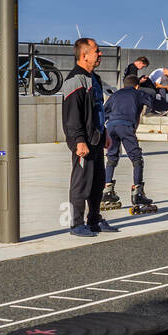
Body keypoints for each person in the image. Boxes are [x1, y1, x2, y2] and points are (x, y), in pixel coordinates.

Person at [62, 38, 117, 236]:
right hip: (83, 142)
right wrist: (79, 140)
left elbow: (97, 110)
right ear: (84, 55)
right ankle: (76, 224)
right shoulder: (75, 80)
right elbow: (72, 114)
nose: (100, 54)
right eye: (97, 51)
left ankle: (94, 221)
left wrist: (105, 134)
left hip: (96, 138)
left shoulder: (94, 78)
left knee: (97, 182)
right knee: (81, 183)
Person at [100, 75, 157, 214]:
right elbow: (154, 104)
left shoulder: (115, 95)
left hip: (111, 126)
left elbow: (103, 111)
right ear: (137, 85)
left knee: (112, 157)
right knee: (137, 159)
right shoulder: (138, 93)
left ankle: (107, 191)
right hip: (125, 127)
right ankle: (138, 193)